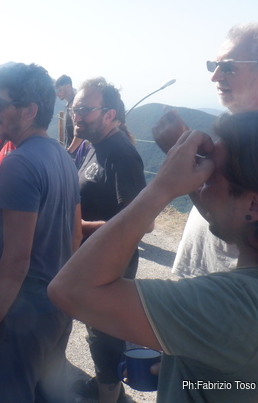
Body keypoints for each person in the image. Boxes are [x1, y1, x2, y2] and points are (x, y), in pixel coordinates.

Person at [49, 112, 258, 402]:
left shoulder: (233, 305)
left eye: (209, 178)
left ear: (253, 203)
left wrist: (163, 186)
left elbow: (70, 289)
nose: (199, 189)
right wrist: (187, 372)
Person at [0, 63, 82, 402]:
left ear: (30, 110)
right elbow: (75, 235)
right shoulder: (62, 156)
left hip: (20, 315)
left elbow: (16, 259)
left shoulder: (18, 164)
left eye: (0, 104)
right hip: (55, 306)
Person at [153, 23, 258, 277]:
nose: (215, 76)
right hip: (206, 276)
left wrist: (181, 157)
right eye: (214, 65)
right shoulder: (237, 131)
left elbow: (235, 224)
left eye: (228, 67)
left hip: (226, 289)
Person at [71, 78, 148, 403]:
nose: (77, 116)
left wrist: (79, 226)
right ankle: (106, 385)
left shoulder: (122, 154)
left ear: (109, 114)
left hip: (110, 264)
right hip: (91, 260)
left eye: (85, 109)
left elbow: (142, 223)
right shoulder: (95, 145)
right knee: (96, 330)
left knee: (104, 335)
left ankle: (110, 396)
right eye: (74, 109)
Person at [55, 74, 85, 156]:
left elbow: (80, 131)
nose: (57, 93)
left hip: (77, 153)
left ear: (68, 87)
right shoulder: (69, 104)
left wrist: (69, 152)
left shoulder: (75, 105)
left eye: (59, 90)